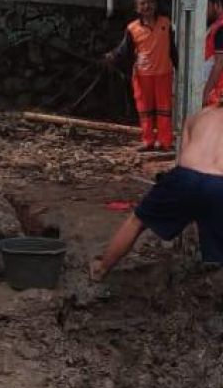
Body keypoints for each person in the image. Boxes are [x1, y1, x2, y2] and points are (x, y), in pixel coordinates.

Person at [91, 100, 223, 281]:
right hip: (219, 184)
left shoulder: (198, 117)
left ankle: (101, 268)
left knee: (136, 222)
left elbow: (182, 159)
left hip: (185, 176)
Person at [105, 0, 177, 152]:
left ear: (155, 5)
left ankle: (164, 141)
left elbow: (173, 48)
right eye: (142, 4)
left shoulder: (166, 23)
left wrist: (178, 68)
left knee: (164, 109)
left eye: (150, 2)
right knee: (144, 110)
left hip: (163, 73)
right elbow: (125, 50)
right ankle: (148, 141)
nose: (147, 6)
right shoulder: (132, 28)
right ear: (137, 8)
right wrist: (112, 56)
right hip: (142, 75)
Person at [201, 0, 223, 107]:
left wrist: (206, 92)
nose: (204, 10)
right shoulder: (216, 26)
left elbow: (219, 63)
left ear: (217, 4)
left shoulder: (221, 28)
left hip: (218, 92)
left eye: (206, 5)